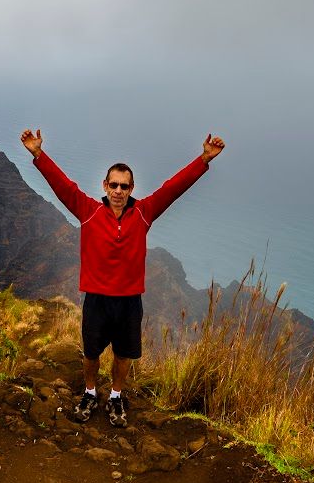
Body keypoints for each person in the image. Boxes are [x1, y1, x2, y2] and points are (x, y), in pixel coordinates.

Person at [20, 128, 226, 427]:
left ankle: (116, 395)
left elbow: (173, 188)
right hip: (97, 299)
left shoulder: (144, 212)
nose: (118, 191)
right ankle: (90, 392)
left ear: (132, 188)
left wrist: (204, 159)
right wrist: (38, 154)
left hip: (129, 300)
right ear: (105, 185)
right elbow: (63, 186)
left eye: (124, 186)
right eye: (113, 185)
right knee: (91, 353)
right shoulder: (88, 211)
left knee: (123, 354)